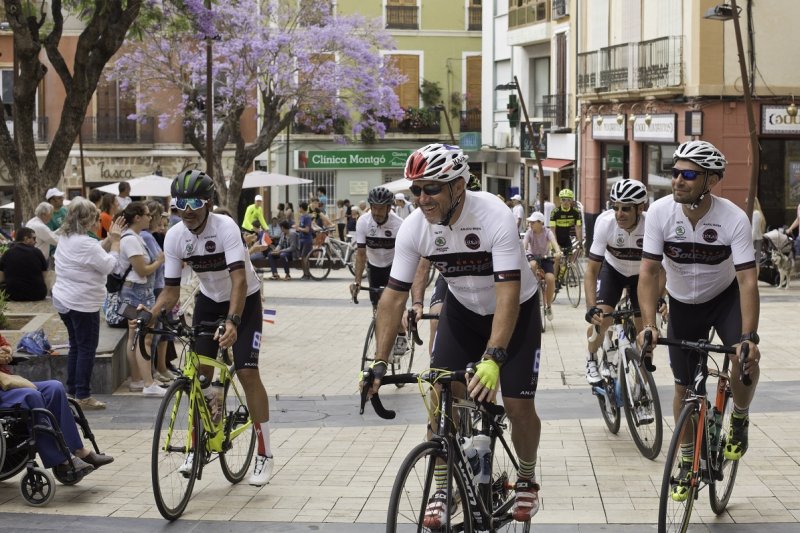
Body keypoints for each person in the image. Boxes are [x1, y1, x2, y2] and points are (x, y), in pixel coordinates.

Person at [365, 143, 543, 525]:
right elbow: (392, 297)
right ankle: (445, 486)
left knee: (517, 405)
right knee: (441, 394)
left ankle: (526, 478)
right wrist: (378, 362)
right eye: (415, 190)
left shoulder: (493, 214)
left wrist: (494, 357)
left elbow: (508, 291)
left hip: (516, 310)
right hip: (463, 312)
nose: (421, 199)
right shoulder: (415, 228)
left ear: (458, 186)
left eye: (431, 188)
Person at [637, 140, 760, 502]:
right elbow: (648, 273)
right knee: (682, 389)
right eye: (675, 173)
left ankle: (738, 416)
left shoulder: (733, 218)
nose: (678, 180)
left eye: (688, 174)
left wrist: (748, 336)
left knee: (744, 359)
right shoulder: (660, 213)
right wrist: (649, 324)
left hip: (724, 301)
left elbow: (747, 281)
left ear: (710, 180)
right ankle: (687, 457)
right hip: (683, 305)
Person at [148, 170, 274, 486]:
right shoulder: (176, 236)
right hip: (208, 299)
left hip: (243, 298)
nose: (186, 209)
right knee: (198, 377)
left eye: (194, 202)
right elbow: (172, 291)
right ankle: (198, 443)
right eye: (180, 203)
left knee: (247, 372)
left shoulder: (226, 228)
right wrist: (150, 316)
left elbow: (239, 280)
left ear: (208, 202)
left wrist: (233, 322)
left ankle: (264, 453)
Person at [0, 335, 114, 479]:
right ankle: (60, 460)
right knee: (31, 396)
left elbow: (4, 344)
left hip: (7, 384)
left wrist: (6, 351)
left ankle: (78, 450)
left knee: (55, 387)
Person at [52, 198, 124, 410]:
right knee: (86, 349)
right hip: (82, 303)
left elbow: (93, 254)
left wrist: (109, 240)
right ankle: (83, 395)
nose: (96, 220)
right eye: (94, 216)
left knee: (76, 345)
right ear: (87, 219)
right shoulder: (85, 243)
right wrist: (117, 241)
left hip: (64, 300)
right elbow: (111, 266)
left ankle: (72, 390)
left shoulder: (67, 237)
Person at [584, 179, 648, 384]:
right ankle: (592, 359)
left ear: (640, 208)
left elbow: (661, 270)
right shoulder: (605, 223)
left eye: (626, 209)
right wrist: (591, 307)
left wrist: (659, 298)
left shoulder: (651, 226)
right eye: (616, 207)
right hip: (613, 270)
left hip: (641, 276)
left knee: (646, 334)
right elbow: (591, 270)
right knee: (602, 319)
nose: (619, 214)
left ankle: (642, 392)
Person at [118, 202, 166, 397]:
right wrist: (158, 262)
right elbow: (142, 270)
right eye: (147, 214)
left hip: (138, 291)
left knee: (135, 337)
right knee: (143, 338)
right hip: (136, 292)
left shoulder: (135, 237)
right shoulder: (131, 239)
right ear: (137, 217)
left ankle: (138, 380)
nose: (150, 218)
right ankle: (147, 383)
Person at [352, 186, 407, 352]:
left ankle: (402, 335)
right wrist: (357, 282)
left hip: (394, 267)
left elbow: (404, 256)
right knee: (377, 312)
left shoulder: (399, 224)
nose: (377, 212)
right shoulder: (363, 222)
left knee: (395, 308)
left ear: (389, 208)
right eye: (374, 207)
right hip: (374, 267)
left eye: (381, 208)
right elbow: (361, 255)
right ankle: (380, 351)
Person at [522, 212, 561, 320]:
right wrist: (523, 251)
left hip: (545, 257)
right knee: (533, 264)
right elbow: (524, 245)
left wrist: (557, 252)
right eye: (530, 222)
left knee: (551, 279)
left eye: (533, 222)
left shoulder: (547, 232)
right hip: (532, 256)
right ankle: (533, 286)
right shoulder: (529, 232)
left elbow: (554, 243)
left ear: (541, 223)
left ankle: (548, 305)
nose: (531, 224)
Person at [0, 227, 48, 301]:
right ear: (26, 239)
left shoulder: (7, 253)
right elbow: (45, 275)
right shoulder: (37, 252)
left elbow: (1, 278)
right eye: (34, 238)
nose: (36, 242)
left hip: (12, 295)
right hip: (37, 295)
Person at [549, 188, 583, 284]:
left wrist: (580, 242)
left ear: (572, 200)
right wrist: (556, 245)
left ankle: (561, 276)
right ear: (560, 200)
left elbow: (578, 227)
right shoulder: (555, 212)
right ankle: (554, 280)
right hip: (555, 238)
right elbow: (552, 230)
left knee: (570, 258)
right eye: (563, 199)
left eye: (568, 199)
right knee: (558, 258)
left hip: (566, 239)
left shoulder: (576, 212)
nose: (566, 202)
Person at [296, 201, 314, 280]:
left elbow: (307, 230)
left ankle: (307, 274)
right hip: (302, 239)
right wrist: (298, 227)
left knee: (305, 258)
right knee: (303, 258)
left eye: (299, 207)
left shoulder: (307, 217)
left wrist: (298, 228)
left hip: (307, 240)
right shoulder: (302, 216)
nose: (298, 209)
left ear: (302, 208)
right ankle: (305, 274)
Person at [749, 196, 766, 275]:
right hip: (758, 239)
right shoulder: (759, 213)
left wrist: (750, 241)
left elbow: (754, 230)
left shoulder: (755, 213)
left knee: (755, 262)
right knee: (756, 262)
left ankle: (755, 281)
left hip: (755, 240)